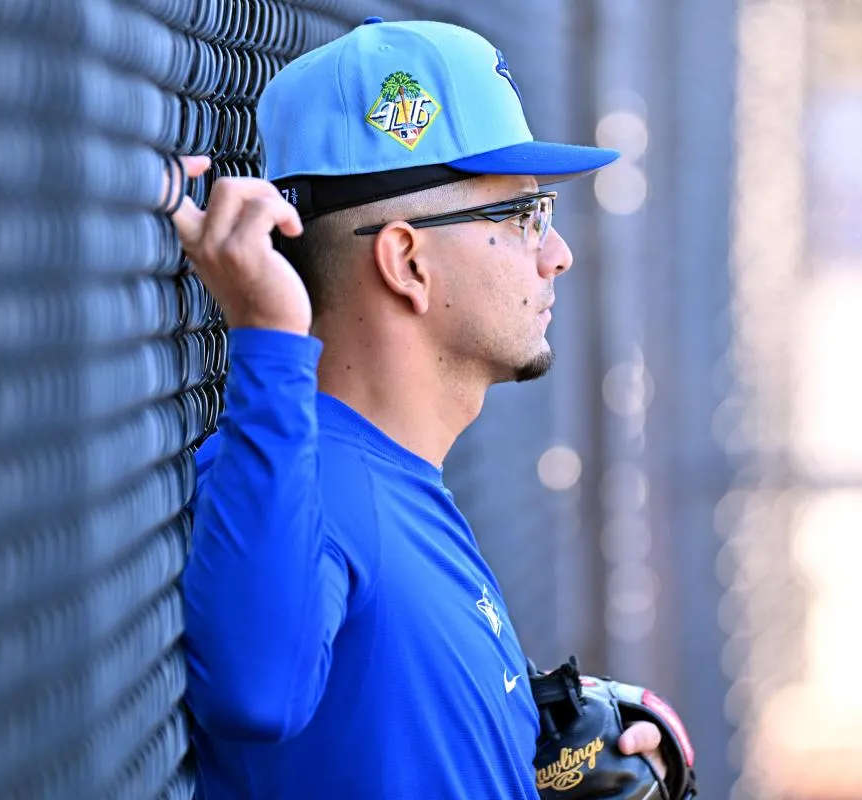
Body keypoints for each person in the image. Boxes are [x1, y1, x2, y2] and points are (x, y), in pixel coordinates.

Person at [168, 17, 674, 799]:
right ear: (407, 261)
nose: (557, 253)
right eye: (522, 214)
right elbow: (256, 692)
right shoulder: (300, 475)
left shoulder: (392, 473)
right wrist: (268, 340)